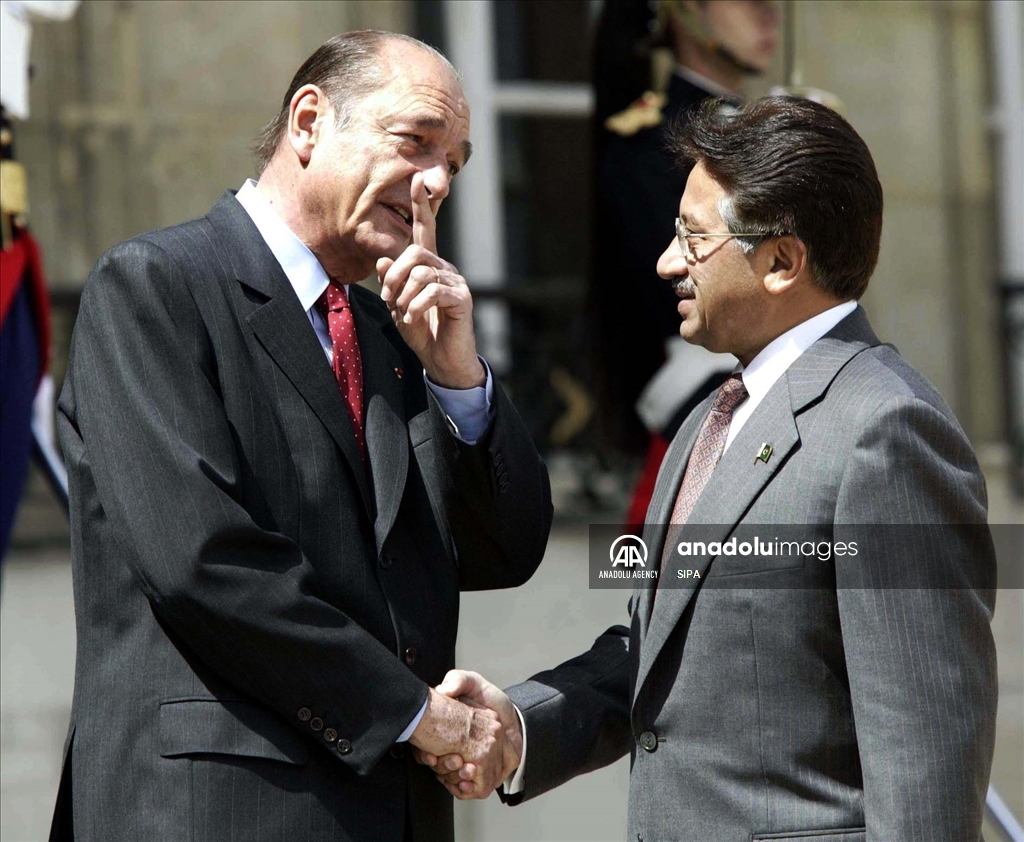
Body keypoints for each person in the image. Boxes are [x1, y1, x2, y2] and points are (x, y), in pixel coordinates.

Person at [421, 97, 998, 841]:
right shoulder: (711, 417)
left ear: (783, 261)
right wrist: (519, 724)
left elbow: (926, 763)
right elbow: (658, 652)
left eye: (693, 238)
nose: (667, 262)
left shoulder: (885, 431)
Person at [50, 31, 551, 842]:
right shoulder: (156, 286)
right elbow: (203, 562)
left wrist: (461, 380)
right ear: (310, 121)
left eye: (454, 165)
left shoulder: (397, 339)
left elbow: (506, 549)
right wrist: (411, 714)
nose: (434, 182)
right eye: (416, 142)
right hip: (215, 811)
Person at [591, 0, 779, 469]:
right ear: (685, 10)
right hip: (704, 410)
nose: (769, 14)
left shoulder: (772, 125)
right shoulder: (650, 147)